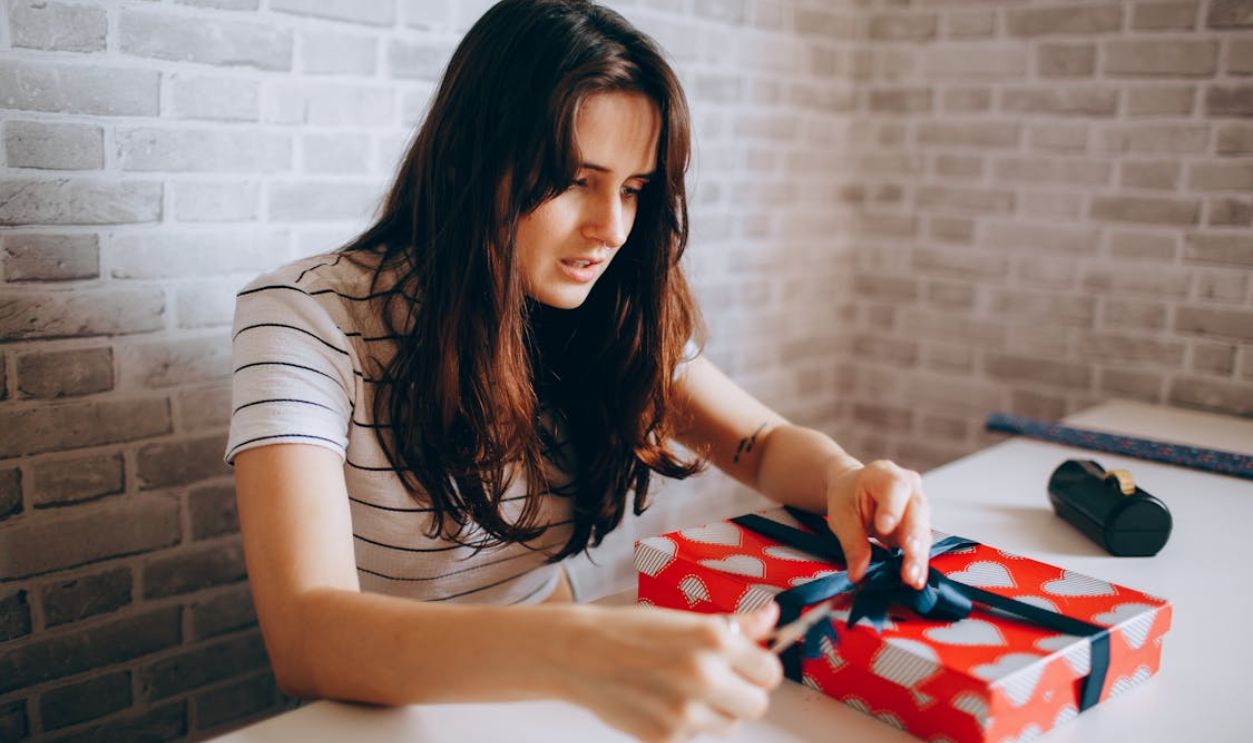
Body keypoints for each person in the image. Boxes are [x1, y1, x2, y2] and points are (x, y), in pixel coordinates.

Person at [226, 1, 933, 740]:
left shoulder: (601, 308)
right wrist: (577, 648)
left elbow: (757, 440)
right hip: (383, 713)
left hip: (563, 693)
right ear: (472, 158)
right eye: (574, 180)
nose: (612, 229)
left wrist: (842, 477)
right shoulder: (304, 317)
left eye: (633, 189)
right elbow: (306, 636)